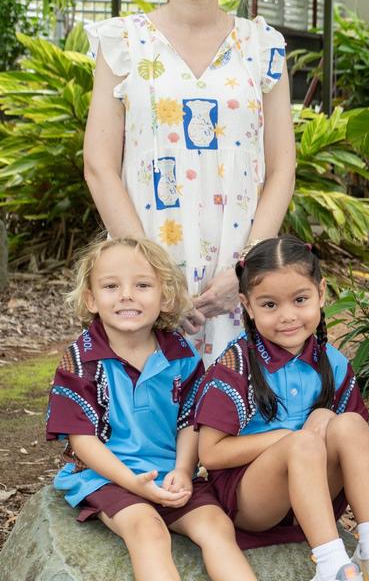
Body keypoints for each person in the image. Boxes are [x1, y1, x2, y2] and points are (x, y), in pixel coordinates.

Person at [83, 0, 296, 365]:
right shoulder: (123, 44)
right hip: (148, 271)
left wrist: (247, 270)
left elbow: (282, 166)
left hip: (235, 272)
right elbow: (99, 165)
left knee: (234, 423)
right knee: (156, 427)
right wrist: (152, 277)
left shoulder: (262, 47)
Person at [46, 237, 255, 581]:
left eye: (142, 285)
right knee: (148, 530)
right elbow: (82, 441)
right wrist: (133, 483)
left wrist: (184, 472)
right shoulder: (80, 359)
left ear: (165, 296)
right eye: (111, 286)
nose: (127, 294)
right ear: (91, 299)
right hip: (107, 475)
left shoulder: (181, 354)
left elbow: (190, 421)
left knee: (217, 526)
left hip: (168, 473)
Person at [191, 236, 369, 581]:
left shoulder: (332, 362)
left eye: (300, 299)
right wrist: (288, 438)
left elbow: (352, 451)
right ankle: (332, 565)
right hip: (253, 502)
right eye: (270, 305)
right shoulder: (235, 364)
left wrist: (321, 424)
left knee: (348, 425)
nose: (287, 317)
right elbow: (209, 455)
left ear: (322, 293)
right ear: (247, 306)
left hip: (315, 494)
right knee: (304, 440)